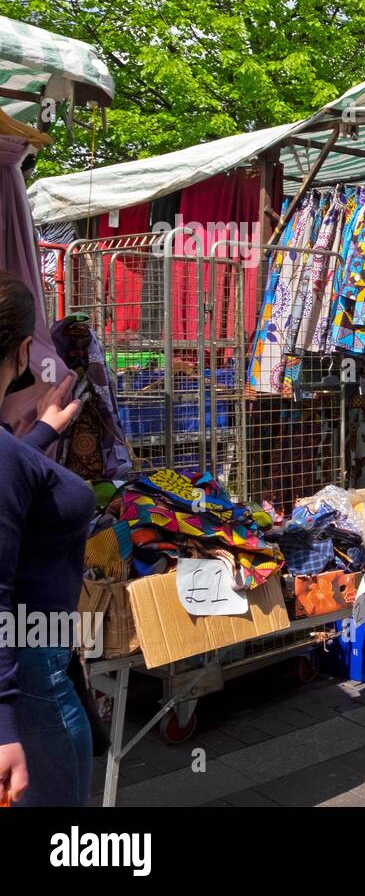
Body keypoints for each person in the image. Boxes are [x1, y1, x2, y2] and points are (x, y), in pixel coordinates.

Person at [0, 274, 92, 806]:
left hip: (34, 658)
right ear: (22, 352)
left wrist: (42, 433)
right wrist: (4, 723)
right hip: (27, 663)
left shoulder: (12, 455)